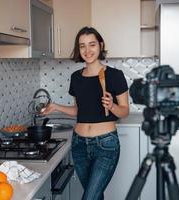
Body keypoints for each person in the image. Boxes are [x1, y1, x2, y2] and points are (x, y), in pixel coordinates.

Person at [42, 26, 129, 200]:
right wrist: (56, 107)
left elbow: (125, 111)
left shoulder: (114, 75)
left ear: (100, 45)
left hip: (106, 145)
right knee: (95, 196)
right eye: (82, 46)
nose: (87, 50)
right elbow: (78, 111)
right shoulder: (76, 77)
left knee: (89, 197)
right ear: (78, 49)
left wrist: (112, 106)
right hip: (79, 144)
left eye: (92, 44)